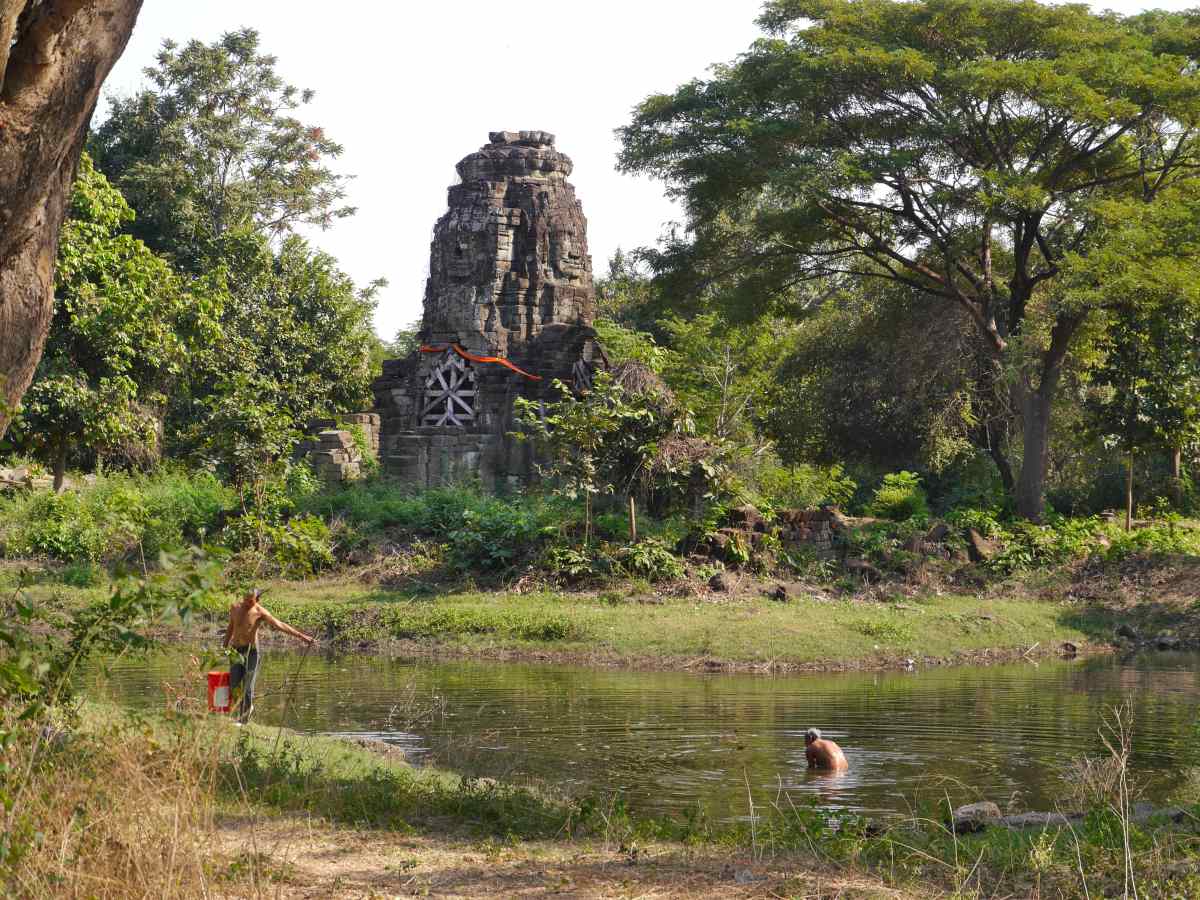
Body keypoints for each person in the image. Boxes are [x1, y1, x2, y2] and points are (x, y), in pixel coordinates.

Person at [222, 588, 314, 722]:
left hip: (251, 652)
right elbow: (231, 626)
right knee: (234, 685)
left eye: (251, 600)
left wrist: (302, 636)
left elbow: (279, 624)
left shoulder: (260, 612)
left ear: (256, 599)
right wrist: (224, 645)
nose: (248, 602)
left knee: (247, 687)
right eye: (246, 599)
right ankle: (245, 710)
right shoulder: (235, 607)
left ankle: (243, 720)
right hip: (235, 651)